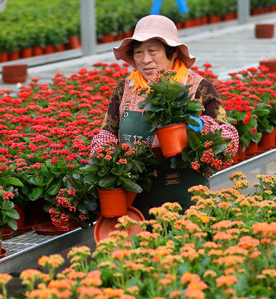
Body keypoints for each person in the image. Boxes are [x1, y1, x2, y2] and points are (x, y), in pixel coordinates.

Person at [90, 14, 239, 217]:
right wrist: (104, 159)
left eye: (153, 51)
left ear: (173, 52)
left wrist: (199, 126)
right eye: (138, 52)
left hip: (187, 199)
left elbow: (228, 141)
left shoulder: (199, 87)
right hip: (137, 202)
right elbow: (108, 132)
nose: (145, 60)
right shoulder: (125, 89)